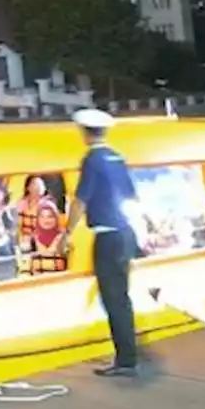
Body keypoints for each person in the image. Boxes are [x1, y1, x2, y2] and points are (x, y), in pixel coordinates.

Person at [66, 108, 139, 377]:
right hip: (125, 232)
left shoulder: (92, 160)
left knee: (112, 297)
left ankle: (125, 361)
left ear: (85, 133)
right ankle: (128, 356)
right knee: (122, 296)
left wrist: (67, 231)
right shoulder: (117, 157)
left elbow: (81, 199)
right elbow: (131, 197)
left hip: (107, 236)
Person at [27, 199, 68, 274]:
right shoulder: (33, 239)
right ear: (38, 219)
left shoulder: (64, 237)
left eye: (50, 216)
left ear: (56, 218)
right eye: (42, 216)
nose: (46, 220)